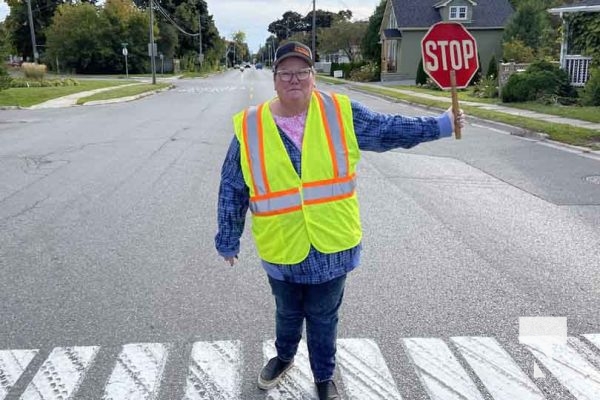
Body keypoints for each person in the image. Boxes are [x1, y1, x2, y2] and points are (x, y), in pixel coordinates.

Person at [215, 41, 465, 399]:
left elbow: (387, 129)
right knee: (287, 312)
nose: (294, 79)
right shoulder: (251, 125)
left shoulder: (339, 112)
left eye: (302, 71)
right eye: (285, 72)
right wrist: (228, 237)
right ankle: (284, 357)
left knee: (323, 318)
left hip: (333, 245)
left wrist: (439, 126)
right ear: (274, 80)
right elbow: (232, 186)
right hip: (281, 246)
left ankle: (323, 377)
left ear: (313, 77)